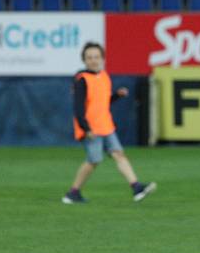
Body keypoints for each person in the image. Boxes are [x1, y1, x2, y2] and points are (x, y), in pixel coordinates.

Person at [62, 42, 156, 204]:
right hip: (91, 127)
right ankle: (73, 193)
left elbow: (103, 102)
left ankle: (136, 188)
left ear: (102, 59)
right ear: (84, 60)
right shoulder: (82, 80)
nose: (93, 60)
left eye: (96, 57)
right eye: (89, 57)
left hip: (106, 125)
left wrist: (117, 96)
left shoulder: (104, 76)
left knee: (118, 154)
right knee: (94, 160)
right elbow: (78, 107)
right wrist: (86, 128)